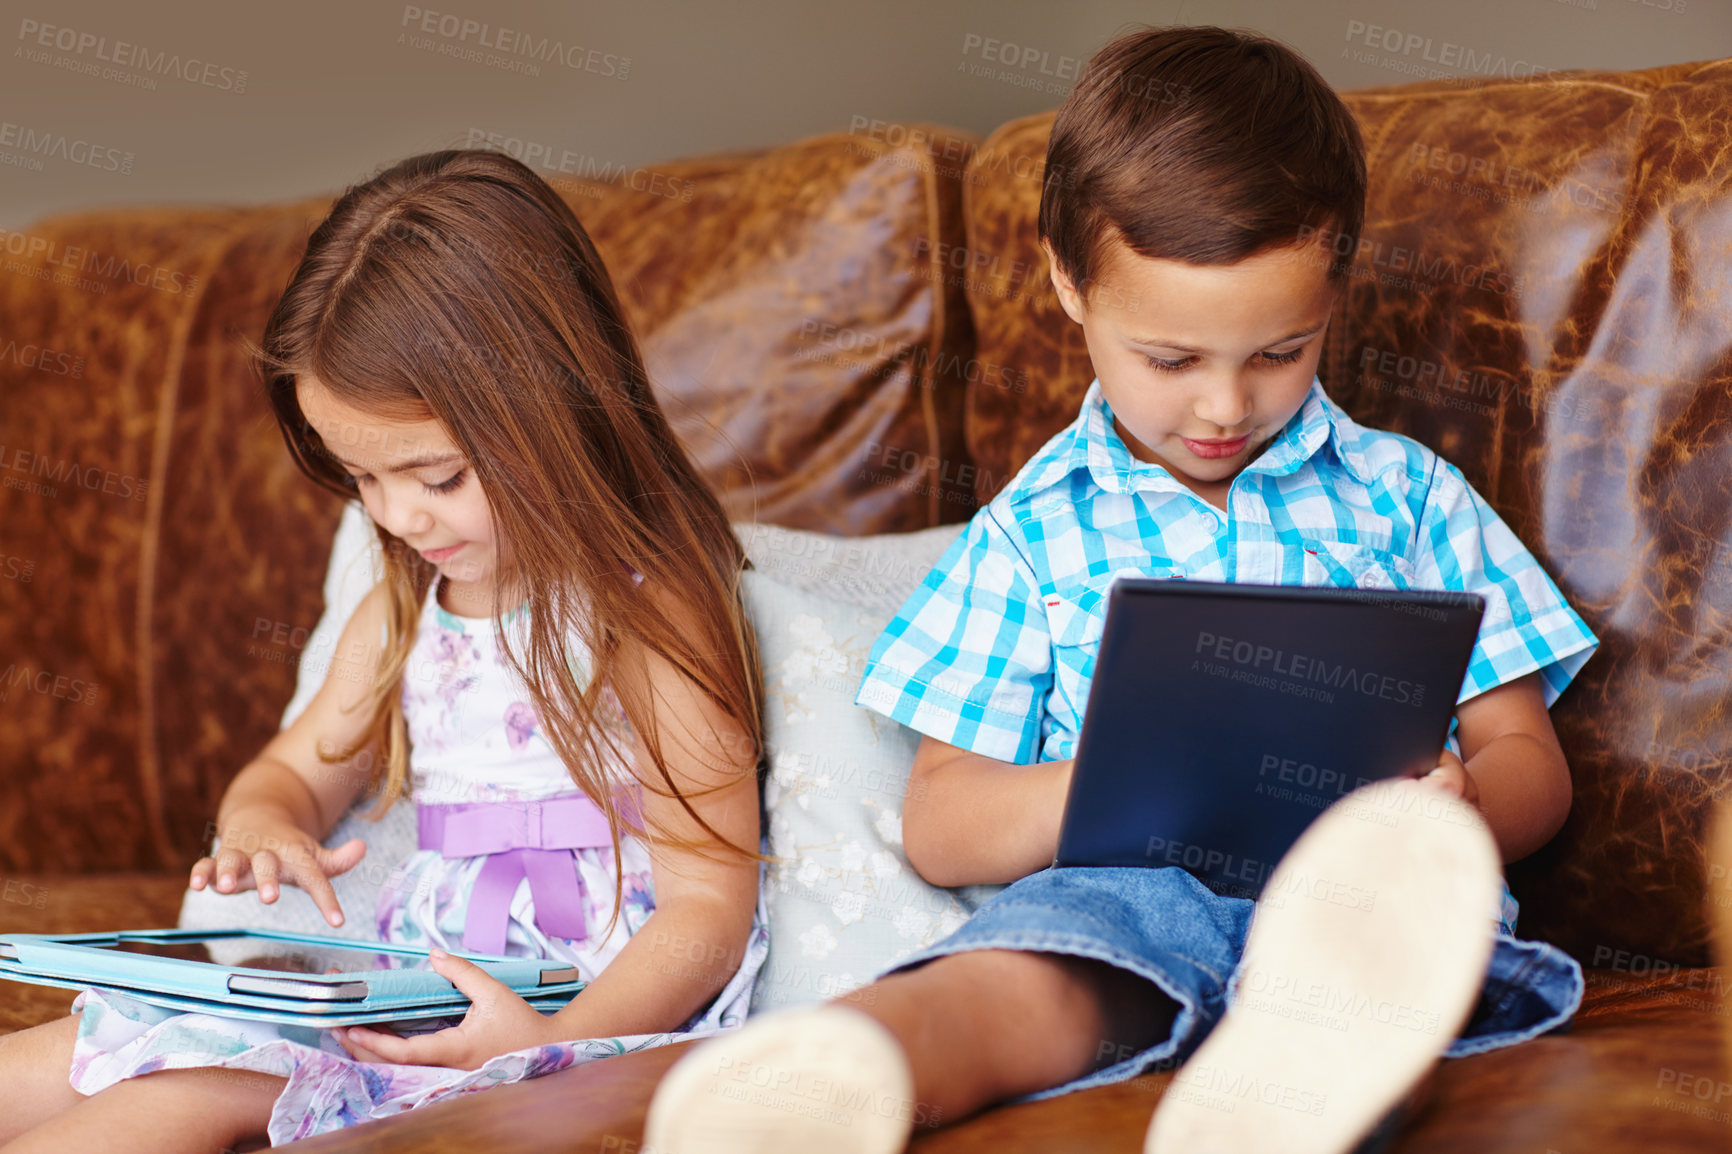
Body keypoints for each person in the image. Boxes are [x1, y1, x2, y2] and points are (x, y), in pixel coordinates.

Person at [644, 25, 1596, 1154]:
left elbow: (1530, 762)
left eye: (1280, 351)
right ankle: (839, 1066)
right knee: (1029, 972)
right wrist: (1118, 775)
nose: (1224, 408)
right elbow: (943, 825)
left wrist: (1467, 804)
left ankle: (1296, 1074)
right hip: (1125, 897)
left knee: (1390, 948)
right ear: (1067, 285)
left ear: (1335, 288)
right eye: (1172, 360)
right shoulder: (1030, 534)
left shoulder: (1409, 500)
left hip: (1366, 891)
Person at [0, 149, 769, 1153]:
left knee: (179, 1096)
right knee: (59, 1055)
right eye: (362, 476)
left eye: (437, 475)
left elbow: (711, 903)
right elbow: (292, 772)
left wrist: (545, 1042)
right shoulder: (406, 616)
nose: (398, 515)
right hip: (400, 990)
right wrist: (263, 823)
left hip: (576, 1011)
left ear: (555, 406)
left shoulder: (646, 609)